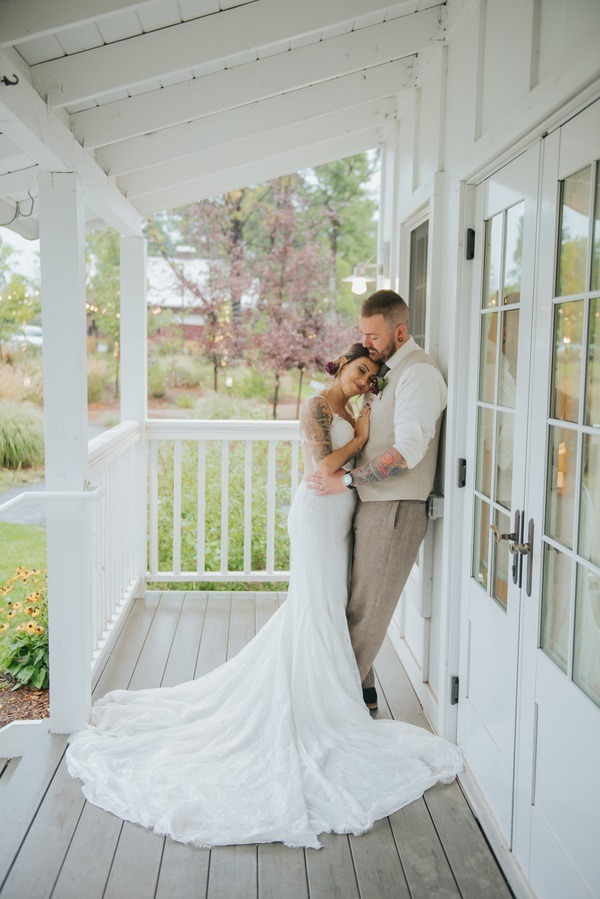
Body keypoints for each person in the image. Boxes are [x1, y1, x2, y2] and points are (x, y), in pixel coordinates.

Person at [66, 342, 461, 850]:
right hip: (319, 513)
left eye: (371, 377)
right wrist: (359, 439)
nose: (364, 381)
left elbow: (356, 461)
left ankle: (326, 685)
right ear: (340, 365)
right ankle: (318, 699)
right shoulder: (317, 407)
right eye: (360, 371)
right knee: (316, 604)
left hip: (342, 515)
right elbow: (323, 469)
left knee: (323, 607)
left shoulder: (353, 407)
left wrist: (363, 432)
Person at [307, 291, 447, 712]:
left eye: (373, 334)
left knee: (366, 613)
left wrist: (348, 480)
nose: (365, 341)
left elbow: (406, 452)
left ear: (399, 332)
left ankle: (333, 705)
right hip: (371, 505)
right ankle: (362, 693)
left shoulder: (418, 375)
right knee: (354, 603)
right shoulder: (386, 371)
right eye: (362, 333)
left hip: (396, 509)